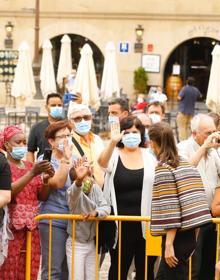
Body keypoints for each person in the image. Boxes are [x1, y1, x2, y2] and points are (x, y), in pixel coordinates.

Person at [148, 121, 211, 280]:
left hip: (175, 239)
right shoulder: (183, 162)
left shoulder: (164, 168)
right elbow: (194, 200)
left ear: (153, 143)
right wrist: (194, 237)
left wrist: (169, 245)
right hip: (188, 235)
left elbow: (171, 210)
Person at [98, 115, 157, 280]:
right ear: (122, 135)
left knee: (146, 270)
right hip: (120, 225)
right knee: (118, 270)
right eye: (128, 132)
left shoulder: (149, 157)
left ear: (141, 134)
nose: (132, 135)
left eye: (135, 131)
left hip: (147, 224)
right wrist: (112, 142)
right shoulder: (115, 155)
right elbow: (102, 163)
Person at [0, 125, 54, 280]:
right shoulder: (4, 167)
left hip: (31, 226)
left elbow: (42, 196)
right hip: (11, 227)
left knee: (29, 269)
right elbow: (8, 192)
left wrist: (45, 181)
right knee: (9, 268)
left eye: (25, 142)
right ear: (6, 145)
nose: (23, 145)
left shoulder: (31, 166)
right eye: (18, 142)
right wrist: (32, 174)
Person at [177, 114, 220, 280]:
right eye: (207, 133)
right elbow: (185, 169)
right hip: (191, 218)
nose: (213, 136)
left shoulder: (213, 152)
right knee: (192, 268)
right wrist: (204, 148)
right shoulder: (183, 147)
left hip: (210, 217)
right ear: (194, 133)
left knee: (208, 267)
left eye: (214, 131)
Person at [38, 120, 77, 280]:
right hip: (52, 221)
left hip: (73, 221)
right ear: (51, 141)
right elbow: (57, 183)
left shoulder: (75, 158)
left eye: (69, 135)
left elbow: (83, 187)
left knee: (68, 271)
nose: (66, 140)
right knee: (53, 270)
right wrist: (65, 161)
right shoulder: (44, 160)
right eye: (62, 136)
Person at [66, 158, 110, 280]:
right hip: (76, 243)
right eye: (82, 178)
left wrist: (97, 213)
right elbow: (74, 193)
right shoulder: (72, 191)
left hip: (92, 243)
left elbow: (106, 207)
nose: (87, 180)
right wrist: (79, 181)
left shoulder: (95, 188)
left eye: (87, 177)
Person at [68, 103, 105, 188]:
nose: (83, 121)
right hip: (81, 193)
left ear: (91, 119)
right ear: (70, 123)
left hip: (101, 193)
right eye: (77, 119)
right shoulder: (67, 143)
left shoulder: (97, 139)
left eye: (86, 117)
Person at [27, 92, 64, 162]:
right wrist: (31, 169)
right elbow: (30, 151)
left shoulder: (67, 126)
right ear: (46, 107)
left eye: (59, 105)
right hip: (43, 167)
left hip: (64, 166)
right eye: (53, 105)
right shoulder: (36, 128)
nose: (57, 107)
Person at [176, 77, 202, 141]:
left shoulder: (184, 88)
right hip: (191, 112)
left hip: (183, 111)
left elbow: (179, 98)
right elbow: (200, 96)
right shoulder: (195, 90)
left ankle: (183, 143)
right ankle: (188, 142)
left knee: (182, 128)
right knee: (188, 128)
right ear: (193, 83)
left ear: (187, 82)